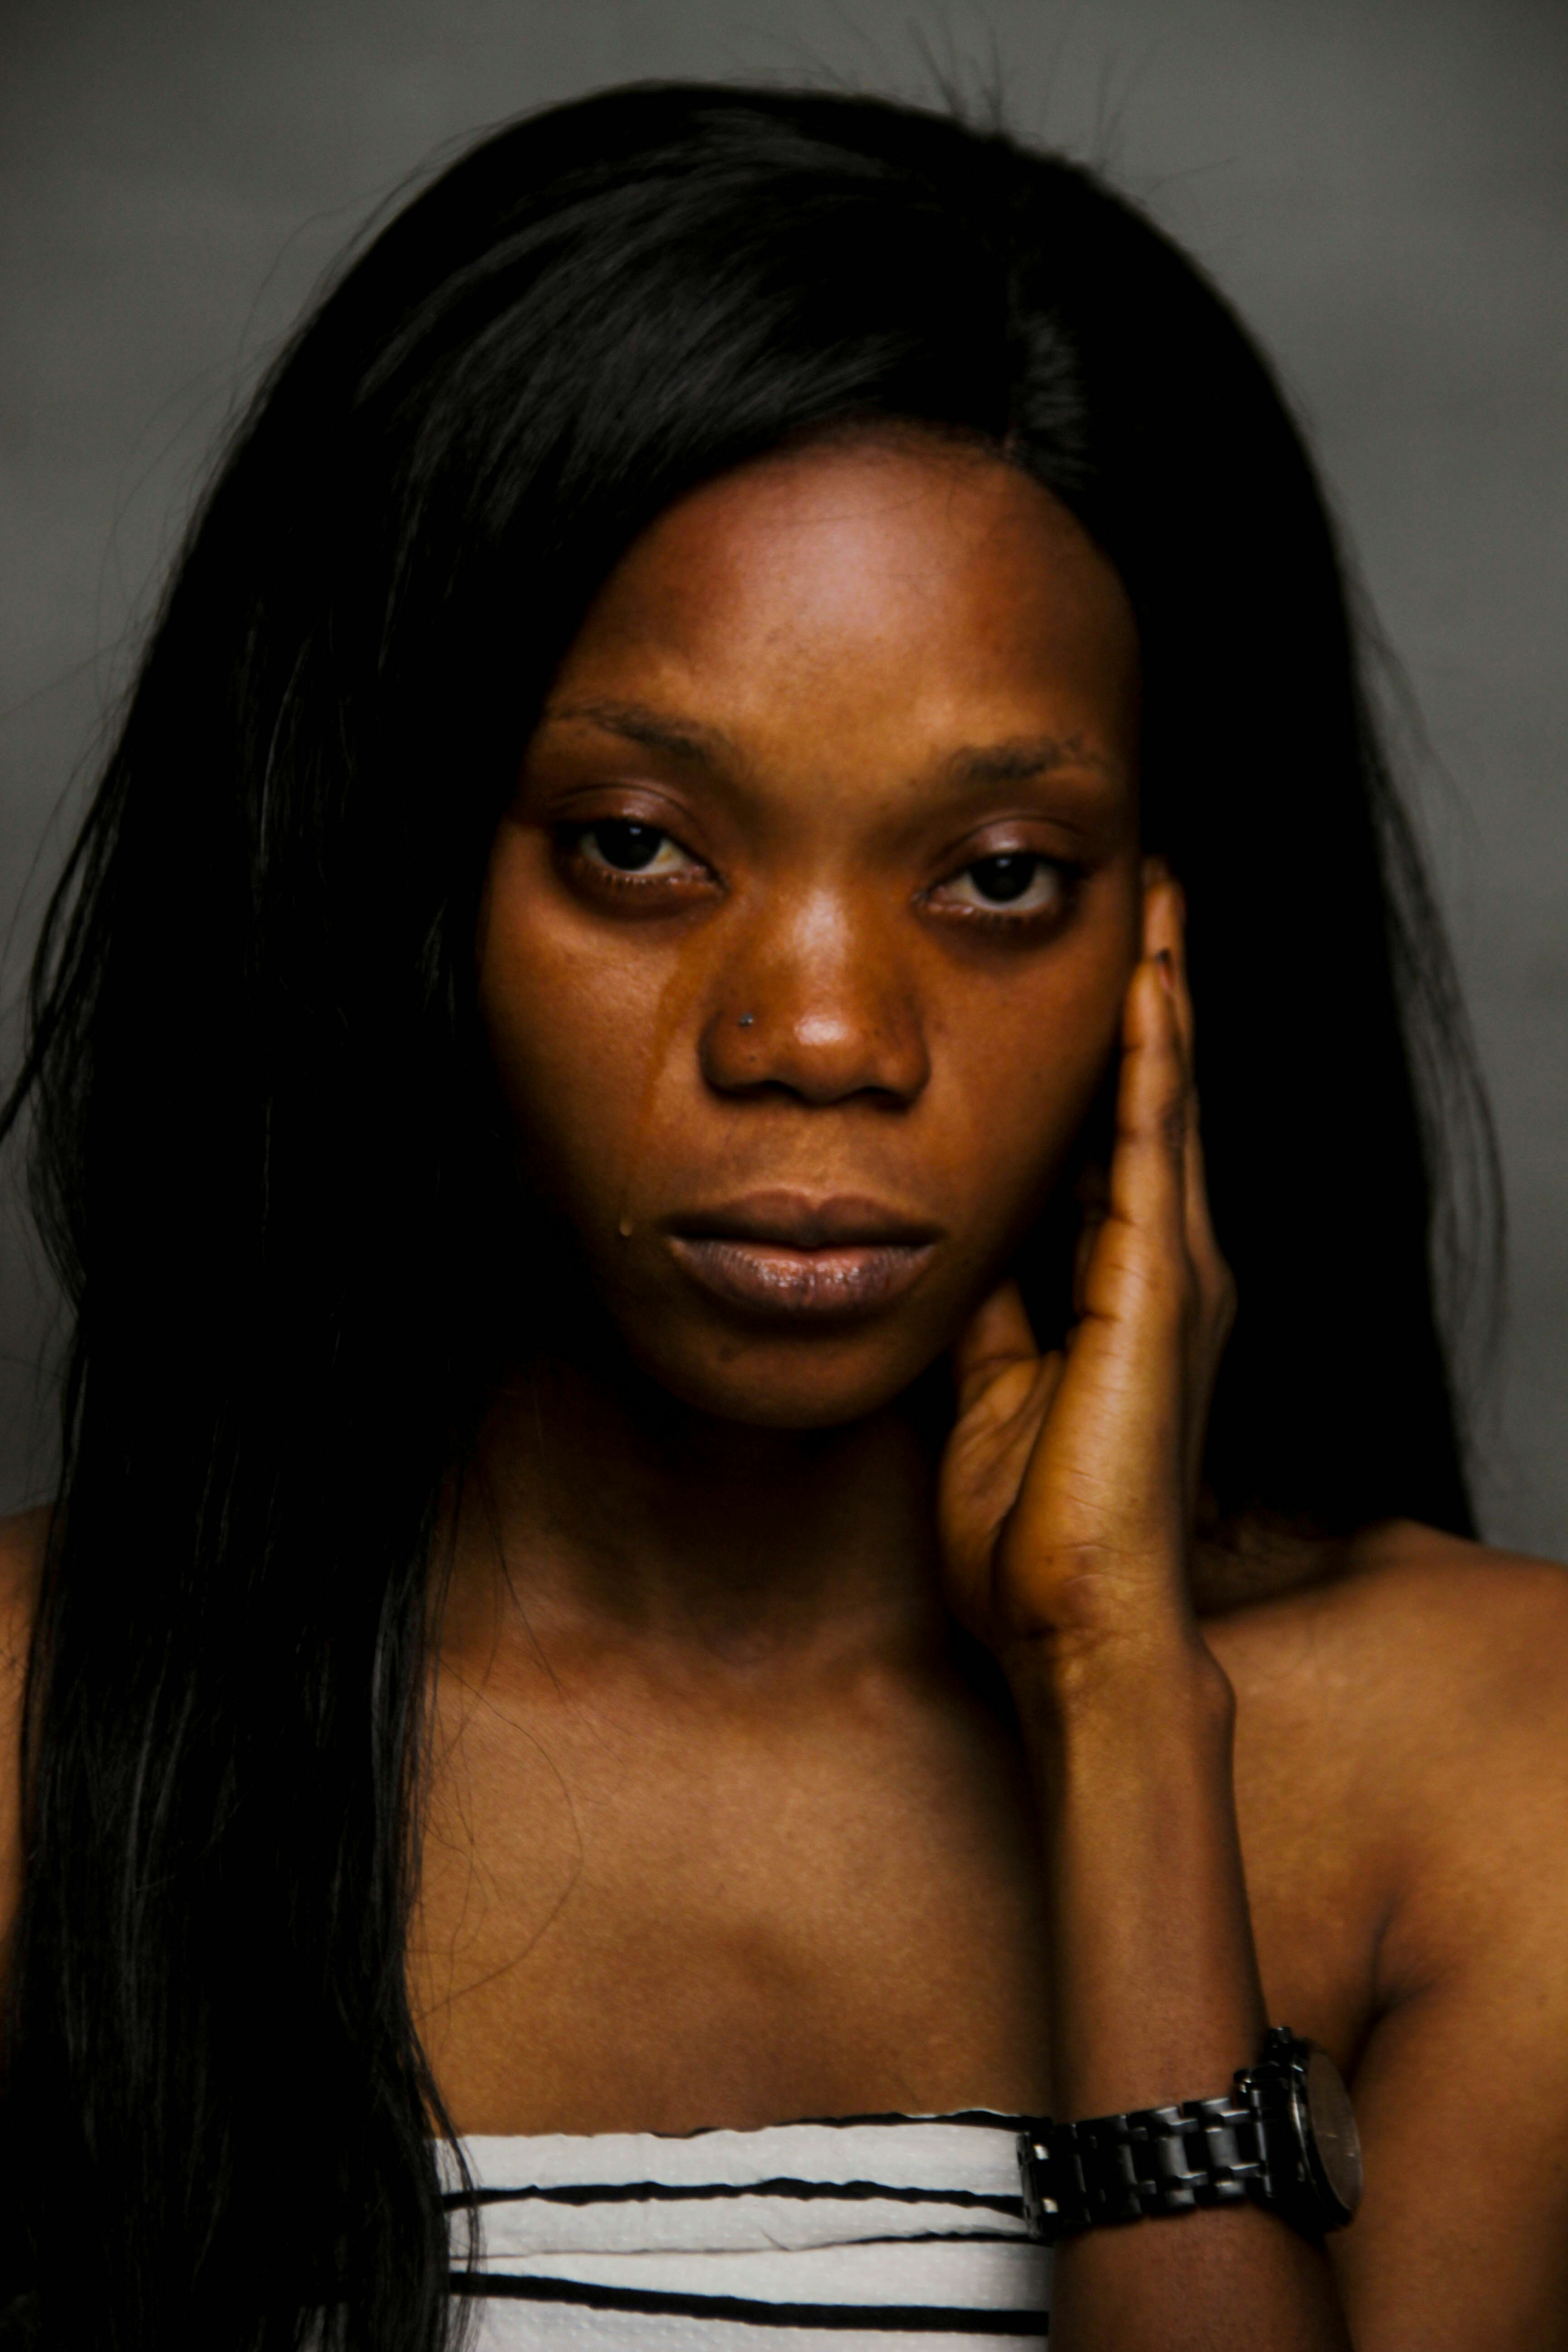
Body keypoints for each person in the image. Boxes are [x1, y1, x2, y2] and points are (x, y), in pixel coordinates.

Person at [0, 77, 1564, 2352]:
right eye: (641, 846)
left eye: (998, 878)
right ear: (392, 879)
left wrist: (1126, 1718)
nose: (820, 1034)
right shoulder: (44, 1747)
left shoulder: (1500, 1764)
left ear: (1181, 926)